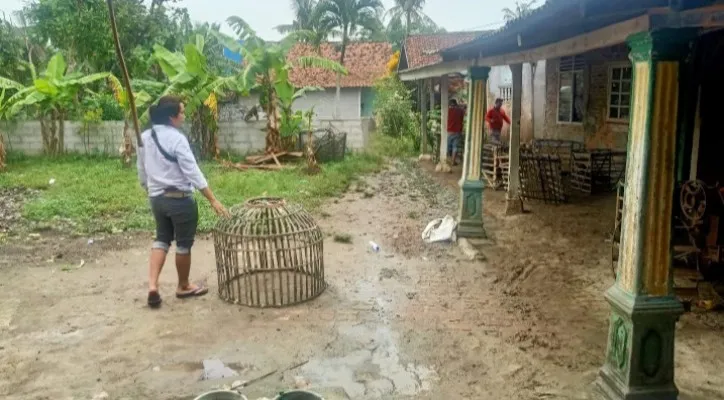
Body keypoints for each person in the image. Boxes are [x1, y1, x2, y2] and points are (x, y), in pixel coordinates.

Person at [137, 96, 229, 308]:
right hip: (180, 200)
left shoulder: (144, 137)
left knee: (161, 239)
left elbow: (142, 170)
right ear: (172, 117)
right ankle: (183, 285)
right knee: (183, 244)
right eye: (182, 112)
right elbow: (192, 172)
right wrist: (212, 199)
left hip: (157, 199)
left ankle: (153, 286)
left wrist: (149, 188)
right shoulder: (177, 139)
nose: (184, 116)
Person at [447, 99, 466, 165]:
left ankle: (449, 159)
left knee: (449, 146)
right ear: (456, 104)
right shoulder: (460, 111)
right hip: (457, 131)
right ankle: (453, 161)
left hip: (449, 131)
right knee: (455, 146)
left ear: (450, 104)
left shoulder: (447, 110)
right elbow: (463, 116)